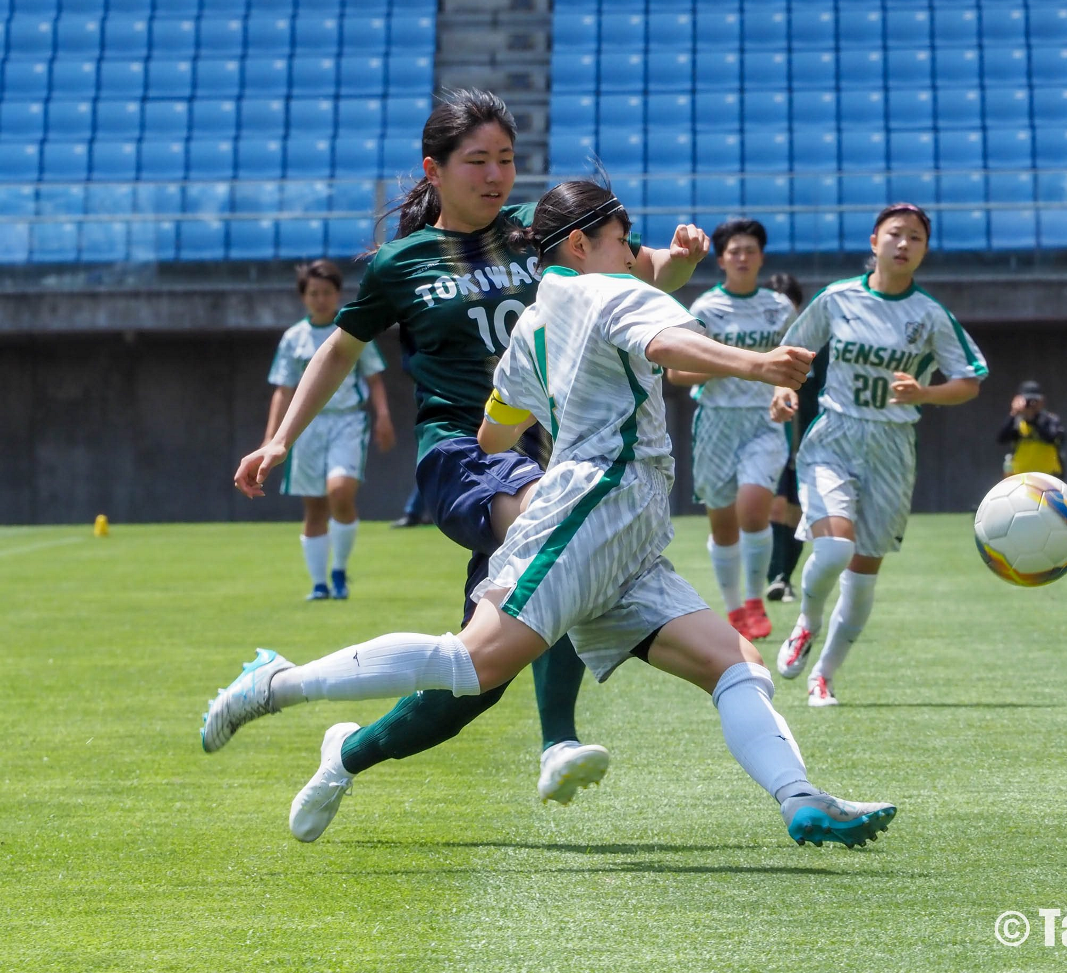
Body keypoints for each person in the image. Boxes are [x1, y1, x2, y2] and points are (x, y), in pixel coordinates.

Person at [204, 180, 897, 848]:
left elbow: (495, 433)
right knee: (470, 667)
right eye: (622, 240)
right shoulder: (606, 289)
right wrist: (755, 365)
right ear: (577, 245)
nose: (632, 255)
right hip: (590, 507)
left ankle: (803, 800)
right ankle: (277, 682)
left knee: (737, 664)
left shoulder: (535, 320)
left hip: (627, 535)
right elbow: (664, 345)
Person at [227, 89, 710, 841]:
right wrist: (282, 438)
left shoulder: (542, 238)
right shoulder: (401, 263)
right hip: (463, 452)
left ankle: (343, 756)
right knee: (560, 542)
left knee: (471, 683)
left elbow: (641, 283)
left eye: (507, 159)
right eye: (478, 160)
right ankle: (558, 741)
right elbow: (340, 350)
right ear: (436, 169)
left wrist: (678, 263)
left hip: (554, 457)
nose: (496, 175)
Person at [771, 204, 989, 707]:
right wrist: (780, 393)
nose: (904, 243)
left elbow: (969, 381)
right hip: (835, 436)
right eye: (895, 234)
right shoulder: (838, 298)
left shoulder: (931, 315)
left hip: (892, 447)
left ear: (924, 251)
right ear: (874, 242)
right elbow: (792, 353)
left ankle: (823, 675)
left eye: (915, 237)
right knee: (834, 550)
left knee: (864, 573)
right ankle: (806, 621)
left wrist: (926, 394)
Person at [665, 219, 795, 641]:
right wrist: (728, 363)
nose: (742, 257)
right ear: (721, 259)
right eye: (734, 251)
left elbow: (792, 366)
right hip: (716, 422)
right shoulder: (704, 308)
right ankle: (735, 609)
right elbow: (676, 372)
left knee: (754, 509)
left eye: (750, 250)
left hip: (763, 420)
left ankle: (756, 600)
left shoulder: (780, 307)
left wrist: (783, 390)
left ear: (761, 257)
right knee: (723, 525)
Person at [265, 259, 396, 600]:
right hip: (307, 427)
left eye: (327, 292)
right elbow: (283, 389)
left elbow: (374, 378)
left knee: (340, 492)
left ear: (338, 294)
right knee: (314, 506)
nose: (320, 299)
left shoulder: (352, 330)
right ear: (303, 297)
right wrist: (271, 437)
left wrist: (382, 415)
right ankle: (319, 584)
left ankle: (339, 570)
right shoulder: (294, 338)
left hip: (347, 420)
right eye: (313, 293)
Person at [761, 271, 820, 605]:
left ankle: (782, 576)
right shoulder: (756, 341)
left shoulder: (810, 341)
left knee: (795, 510)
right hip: (762, 433)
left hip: (800, 433)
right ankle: (773, 576)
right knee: (775, 506)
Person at [998, 380, 1066, 478]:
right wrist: (1014, 413)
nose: (1031, 405)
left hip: (1048, 477)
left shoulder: (1050, 420)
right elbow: (1001, 438)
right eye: (1027, 401)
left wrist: (1033, 420)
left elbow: (1052, 438)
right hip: (1020, 478)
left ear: (1042, 401)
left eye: (1034, 401)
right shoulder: (1017, 422)